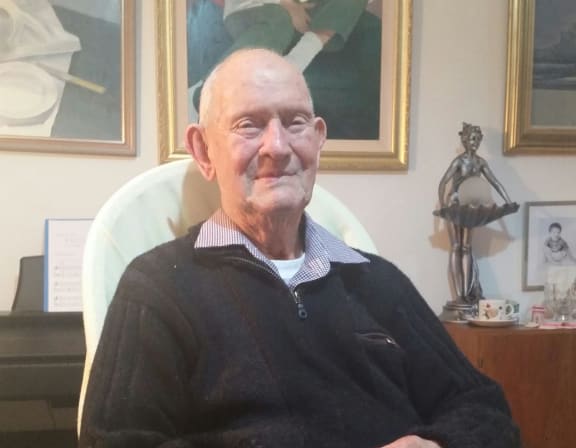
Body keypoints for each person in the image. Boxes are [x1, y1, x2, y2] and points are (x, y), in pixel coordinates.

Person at [79, 49, 520, 448]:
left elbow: (485, 410)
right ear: (203, 150)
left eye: (295, 122)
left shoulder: (378, 281)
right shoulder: (156, 289)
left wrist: (435, 445)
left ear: (318, 138)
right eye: (249, 124)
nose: (278, 146)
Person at [437, 122, 515, 302]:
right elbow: (443, 182)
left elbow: (495, 182)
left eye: (478, 140)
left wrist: (508, 201)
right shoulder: (459, 161)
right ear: (464, 140)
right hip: (455, 204)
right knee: (456, 246)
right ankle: (460, 295)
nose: (475, 143)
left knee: (466, 247)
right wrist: (443, 205)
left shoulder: (480, 163)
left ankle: (467, 293)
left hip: (470, 205)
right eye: (472, 139)